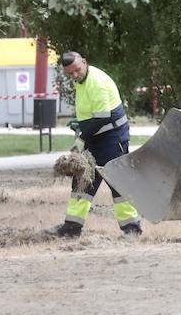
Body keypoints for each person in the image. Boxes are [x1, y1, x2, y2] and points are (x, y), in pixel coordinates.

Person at [45, 51, 142, 237]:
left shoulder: (96, 81)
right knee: (83, 179)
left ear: (84, 62)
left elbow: (103, 117)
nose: (74, 75)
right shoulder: (82, 80)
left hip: (112, 138)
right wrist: (80, 122)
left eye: (77, 70)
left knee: (118, 181)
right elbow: (92, 112)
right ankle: (72, 227)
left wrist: (82, 133)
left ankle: (132, 228)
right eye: (70, 73)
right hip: (97, 137)